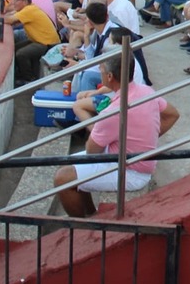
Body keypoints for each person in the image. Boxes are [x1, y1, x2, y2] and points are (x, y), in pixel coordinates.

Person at [54, 54, 180, 217]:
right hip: (129, 160)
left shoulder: (113, 112)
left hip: (131, 171)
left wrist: (97, 130)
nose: (99, 71)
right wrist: (148, 137)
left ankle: (80, 226)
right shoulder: (146, 90)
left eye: (101, 69)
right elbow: (172, 114)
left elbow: (92, 152)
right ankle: (92, 216)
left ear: (109, 76)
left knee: (62, 178)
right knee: (72, 163)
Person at [6, 0, 60, 84]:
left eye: (16, 0)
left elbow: (9, 20)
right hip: (37, 40)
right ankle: (19, 74)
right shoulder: (28, 8)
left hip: (46, 43)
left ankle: (29, 79)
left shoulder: (29, 10)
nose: (14, 3)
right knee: (14, 49)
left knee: (21, 54)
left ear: (25, 2)